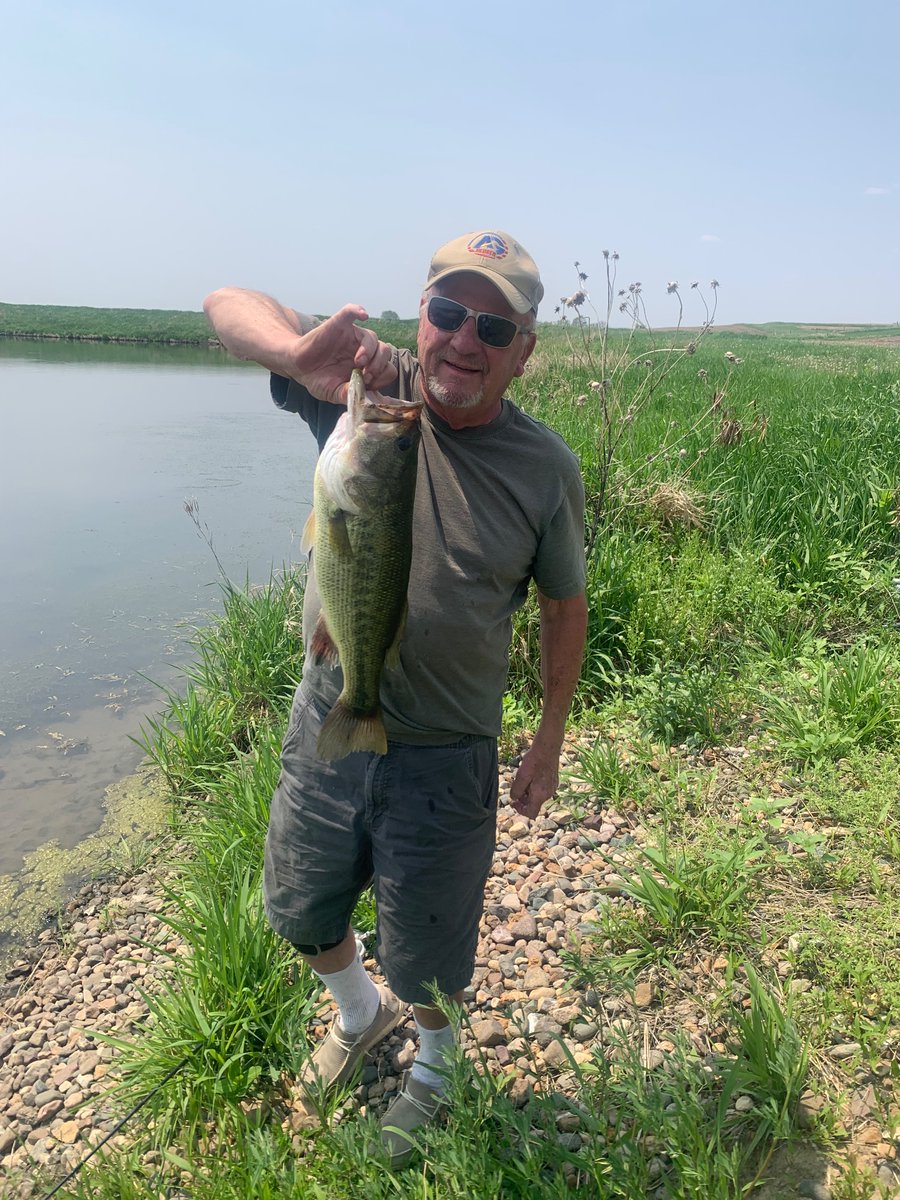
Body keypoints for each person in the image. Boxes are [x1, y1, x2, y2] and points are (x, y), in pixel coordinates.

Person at [203, 229, 588, 1166]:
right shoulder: (365, 403)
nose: (464, 339)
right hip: (332, 709)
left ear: (525, 349)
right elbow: (224, 303)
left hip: (448, 753)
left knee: (431, 951)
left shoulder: (545, 468)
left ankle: (437, 1068)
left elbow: (564, 604)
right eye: (448, 312)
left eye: (492, 325)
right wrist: (298, 355)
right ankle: (358, 1013)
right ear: (420, 315)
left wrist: (548, 737)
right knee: (302, 909)